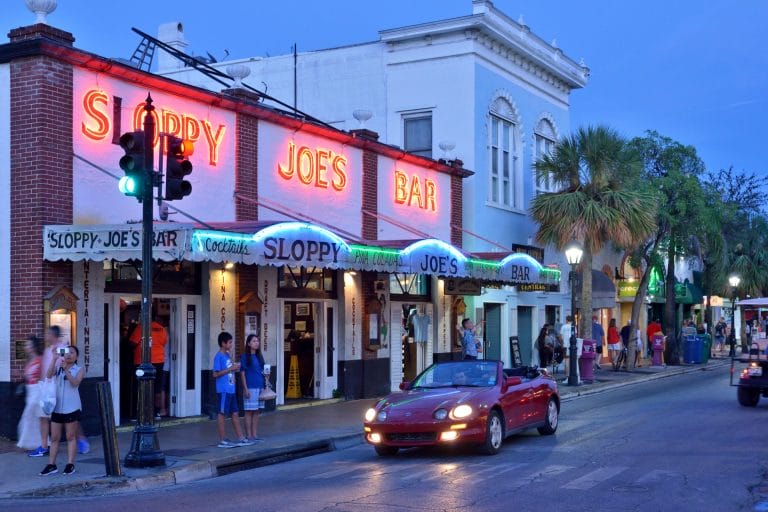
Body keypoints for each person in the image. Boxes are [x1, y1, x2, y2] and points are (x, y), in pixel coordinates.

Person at [30, 326, 89, 457]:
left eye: (47, 333)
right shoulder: (48, 350)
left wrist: (60, 359)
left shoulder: (63, 348)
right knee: (45, 417)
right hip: (48, 386)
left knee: (66, 419)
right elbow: (48, 372)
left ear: (53, 335)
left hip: (60, 387)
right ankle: (46, 445)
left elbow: (66, 367)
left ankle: (78, 440)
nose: (45, 335)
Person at [39, 345, 85, 476]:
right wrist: (54, 360)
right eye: (67, 352)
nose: (69, 355)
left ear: (77, 356)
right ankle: (51, 465)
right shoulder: (58, 367)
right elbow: (48, 375)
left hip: (72, 407)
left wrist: (66, 370)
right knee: (54, 438)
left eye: (72, 353)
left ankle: (70, 464)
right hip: (57, 407)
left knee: (70, 436)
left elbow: (75, 383)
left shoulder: (80, 369)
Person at [212, 332, 248, 448]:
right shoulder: (218, 356)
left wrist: (233, 363)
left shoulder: (227, 355)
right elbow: (215, 374)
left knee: (235, 413)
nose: (231, 344)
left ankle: (241, 437)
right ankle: (222, 439)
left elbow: (231, 368)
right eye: (230, 342)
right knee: (222, 413)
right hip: (224, 390)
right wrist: (230, 369)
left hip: (231, 389)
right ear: (223, 343)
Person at [130, 315, 168, 419]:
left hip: (142, 361)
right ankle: (156, 413)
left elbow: (132, 343)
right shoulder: (161, 328)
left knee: (139, 388)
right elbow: (164, 342)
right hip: (159, 361)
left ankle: (137, 414)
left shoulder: (141, 328)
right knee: (157, 388)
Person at [17, 336, 44, 451]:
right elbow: (28, 376)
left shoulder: (41, 359)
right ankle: (34, 442)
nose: (26, 347)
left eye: (28, 345)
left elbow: (43, 375)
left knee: (29, 415)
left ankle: (26, 442)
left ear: (33, 347)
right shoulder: (29, 361)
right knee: (32, 417)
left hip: (37, 390)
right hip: (30, 390)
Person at [240, 334, 266, 443]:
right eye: (254, 341)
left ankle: (255, 434)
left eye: (258, 341)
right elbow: (242, 373)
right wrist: (245, 388)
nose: (257, 343)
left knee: (256, 411)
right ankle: (249, 435)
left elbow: (263, 371)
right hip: (250, 387)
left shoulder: (259, 356)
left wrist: (266, 378)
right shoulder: (245, 356)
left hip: (260, 386)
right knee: (249, 412)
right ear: (249, 343)